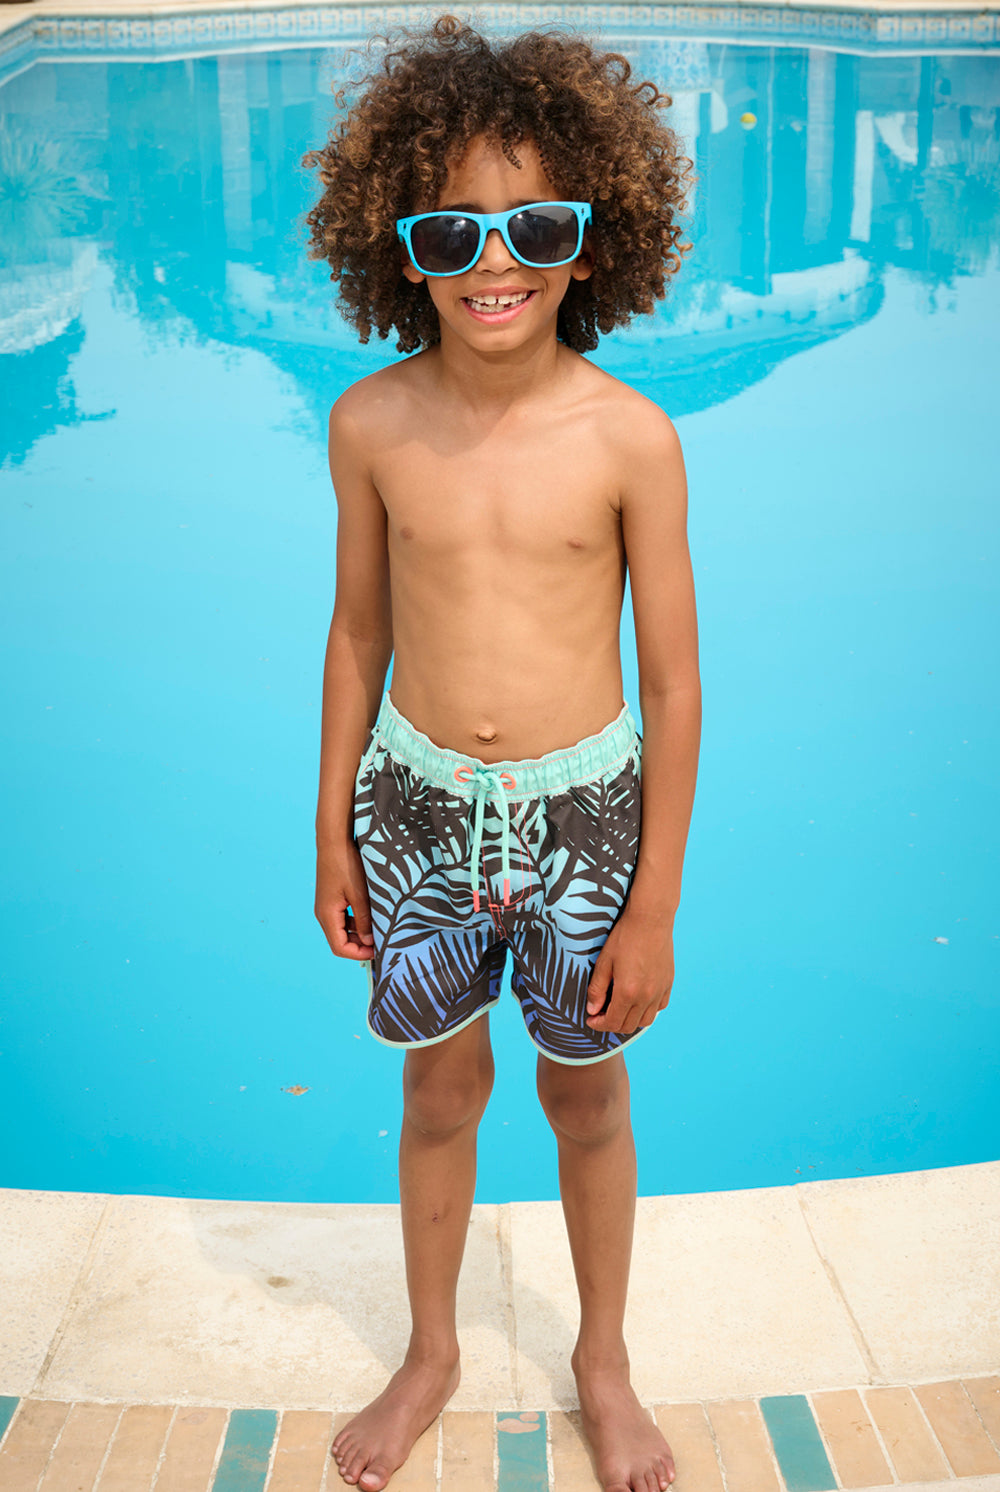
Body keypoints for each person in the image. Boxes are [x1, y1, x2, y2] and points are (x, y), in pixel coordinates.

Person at [303, 16, 700, 1492]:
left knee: (585, 1097)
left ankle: (602, 1358)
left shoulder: (630, 439)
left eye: (534, 225)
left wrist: (652, 901)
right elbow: (356, 636)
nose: (494, 261)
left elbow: (671, 678)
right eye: (454, 228)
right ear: (400, 243)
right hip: (409, 809)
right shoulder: (370, 427)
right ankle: (433, 1350)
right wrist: (335, 829)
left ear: (590, 242)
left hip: (586, 821)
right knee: (436, 1096)